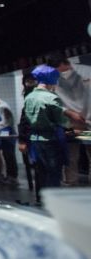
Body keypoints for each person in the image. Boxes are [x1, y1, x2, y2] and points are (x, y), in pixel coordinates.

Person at [22, 65, 85, 190]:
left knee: (42, 173)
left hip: (35, 140)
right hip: (51, 139)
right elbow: (60, 121)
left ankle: (43, 201)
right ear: (51, 80)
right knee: (54, 173)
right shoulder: (52, 98)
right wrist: (73, 128)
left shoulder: (29, 97)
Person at [47, 53, 91, 185]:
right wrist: (69, 113)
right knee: (71, 155)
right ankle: (71, 183)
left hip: (88, 122)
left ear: (65, 63)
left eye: (60, 68)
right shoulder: (53, 79)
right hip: (70, 123)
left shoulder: (86, 71)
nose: (60, 72)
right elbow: (53, 102)